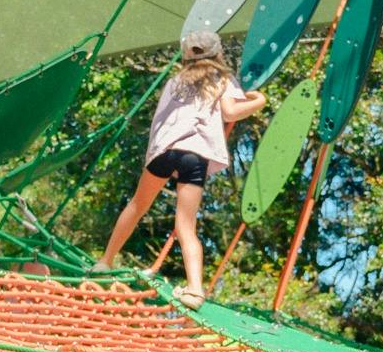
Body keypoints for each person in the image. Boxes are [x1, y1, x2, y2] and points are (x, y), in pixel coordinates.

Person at [101, 29, 263, 308]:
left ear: (186, 55)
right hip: (195, 154)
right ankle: (195, 290)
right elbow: (230, 113)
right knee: (186, 225)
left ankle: (105, 261)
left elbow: (162, 118)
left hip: (166, 150)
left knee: (137, 205)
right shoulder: (222, 78)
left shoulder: (176, 80)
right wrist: (258, 101)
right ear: (218, 53)